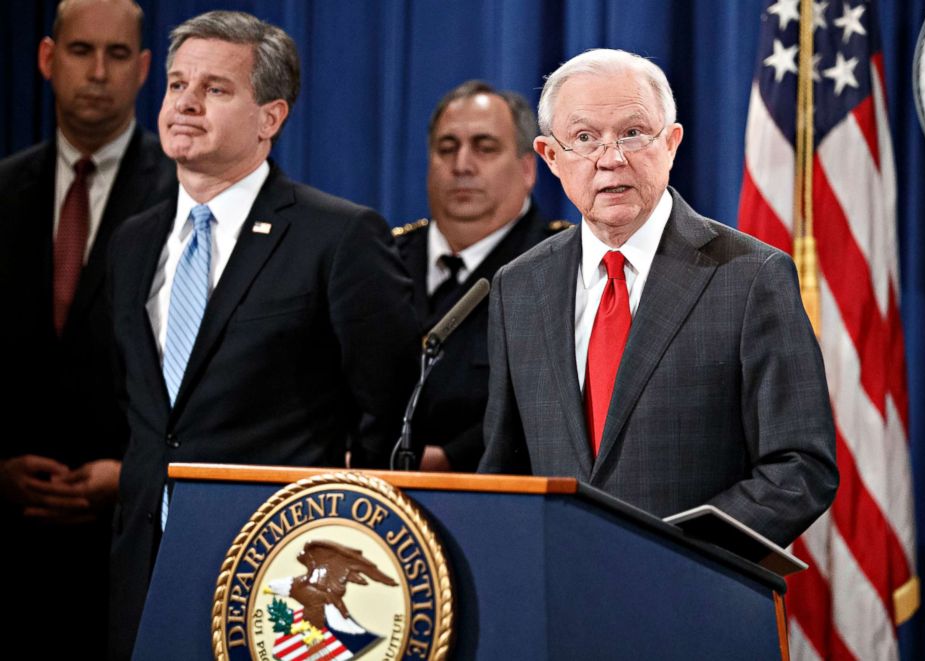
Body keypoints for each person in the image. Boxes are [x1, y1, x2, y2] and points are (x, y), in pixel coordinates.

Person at [106, 11, 420, 657]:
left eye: (216, 89)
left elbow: (390, 402)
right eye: (175, 84)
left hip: (275, 565)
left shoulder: (337, 235)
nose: (186, 103)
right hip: (142, 557)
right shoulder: (133, 241)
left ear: (270, 117)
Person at [479, 49, 838, 547]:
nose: (611, 158)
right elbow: (504, 470)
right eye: (585, 138)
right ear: (550, 157)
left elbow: (800, 467)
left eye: (633, 133)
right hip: (559, 599)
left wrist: (677, 553)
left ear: (671, 144)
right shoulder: (518, 287)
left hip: (694, 596)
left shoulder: (751, 277)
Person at [0, 0, 174, 652]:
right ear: (47, 59)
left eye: (118, 54)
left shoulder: (187, 199)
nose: (98, 71)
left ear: (145, 69)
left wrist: (130, 474)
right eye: (81, 51)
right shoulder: (4, 189)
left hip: (127, 545)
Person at [393, 80, 568, 472]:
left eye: (485, 148)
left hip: (499, 489)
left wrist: (451, 458)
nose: (462, 166)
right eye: (447, 149)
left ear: (527, 169)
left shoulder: (562, 264)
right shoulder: (386, 259)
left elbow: (557, 402)